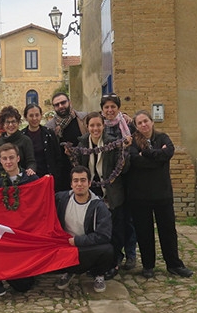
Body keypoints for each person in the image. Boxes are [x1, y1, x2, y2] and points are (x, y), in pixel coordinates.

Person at [126, 110, 193, 279]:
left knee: (168, 231)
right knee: (144, 232)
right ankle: (148, 265)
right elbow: (135, 161)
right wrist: (157, 157)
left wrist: (147, 154)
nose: (143, 125)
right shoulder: (132, 142)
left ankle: (174, 264)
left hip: (162, 194)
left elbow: (168, 154)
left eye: (146, 121)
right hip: (140, 196)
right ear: (136, 126)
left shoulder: (163, 138)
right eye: (139, 123)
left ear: (152, 121)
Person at [0, 143, 39, 302]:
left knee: (22, 286)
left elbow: (41, 198)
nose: (8, 162)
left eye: (11, 157)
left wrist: (46, 180)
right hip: (7, 235)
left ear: (18, 158)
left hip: (26, 235)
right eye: (4, 159)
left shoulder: (31, 178)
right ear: (0, 161)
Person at [76, 111, 128, 279]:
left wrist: (124, 158)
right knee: (95, 229)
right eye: (92, 125)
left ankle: (114, 263)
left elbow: (122, 168)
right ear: (87, 127)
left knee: (115, 229)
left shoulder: (113, 144)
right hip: (93, 192)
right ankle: (98, 263)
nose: (95, 128)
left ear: (103, 125)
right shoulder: (83, 143)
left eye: (98, 125)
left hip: (111, 192)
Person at [54, 165, 114, 293]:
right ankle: (69, 271)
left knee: (107, 250)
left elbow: (104, 235)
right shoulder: (61, 199)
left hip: (85, 246)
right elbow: (40, 200)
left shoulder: (99, 206)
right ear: (71, 184)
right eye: (76, 181)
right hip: (65, 246)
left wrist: (78, 241)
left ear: (89, 183)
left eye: (83, 180)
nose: (79, 184)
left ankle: (99, 274)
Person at [100, 94, 137, 271]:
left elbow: (136, 146)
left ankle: (131, 254)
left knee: (128, 219)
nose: (110, 110)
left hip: (127, 177)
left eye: (113, 107)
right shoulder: (99, 127)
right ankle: (116, 254)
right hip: (109, 181)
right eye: (106, 107)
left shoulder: (128, 125)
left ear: (118, 108)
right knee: (114, 221)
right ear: (102, 110)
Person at [45, 92, 87, 191]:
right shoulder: (50, 127)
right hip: (62, 172)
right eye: (57, 105)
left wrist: (122, 116)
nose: (60, 106)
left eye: (63, 103)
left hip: (83, 167)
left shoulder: (83, 118)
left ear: (69, 102)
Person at [0, 106, 36, 187]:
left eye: (13, 122)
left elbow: (31, 162)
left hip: (19, 183)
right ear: (3, 124)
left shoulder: (25, 140)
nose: (10, 125)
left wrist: (31, 170)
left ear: (18, 123)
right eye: (7, 122)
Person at [21, 103, 63, 191]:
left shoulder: (49, 134)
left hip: (48, 180)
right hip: (29, 182)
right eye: (31, 115)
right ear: (26, 117)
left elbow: (58, 157)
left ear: (41, 115)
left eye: (37, 115)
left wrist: (56, 177)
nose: (34, 118)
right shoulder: (22, 136)